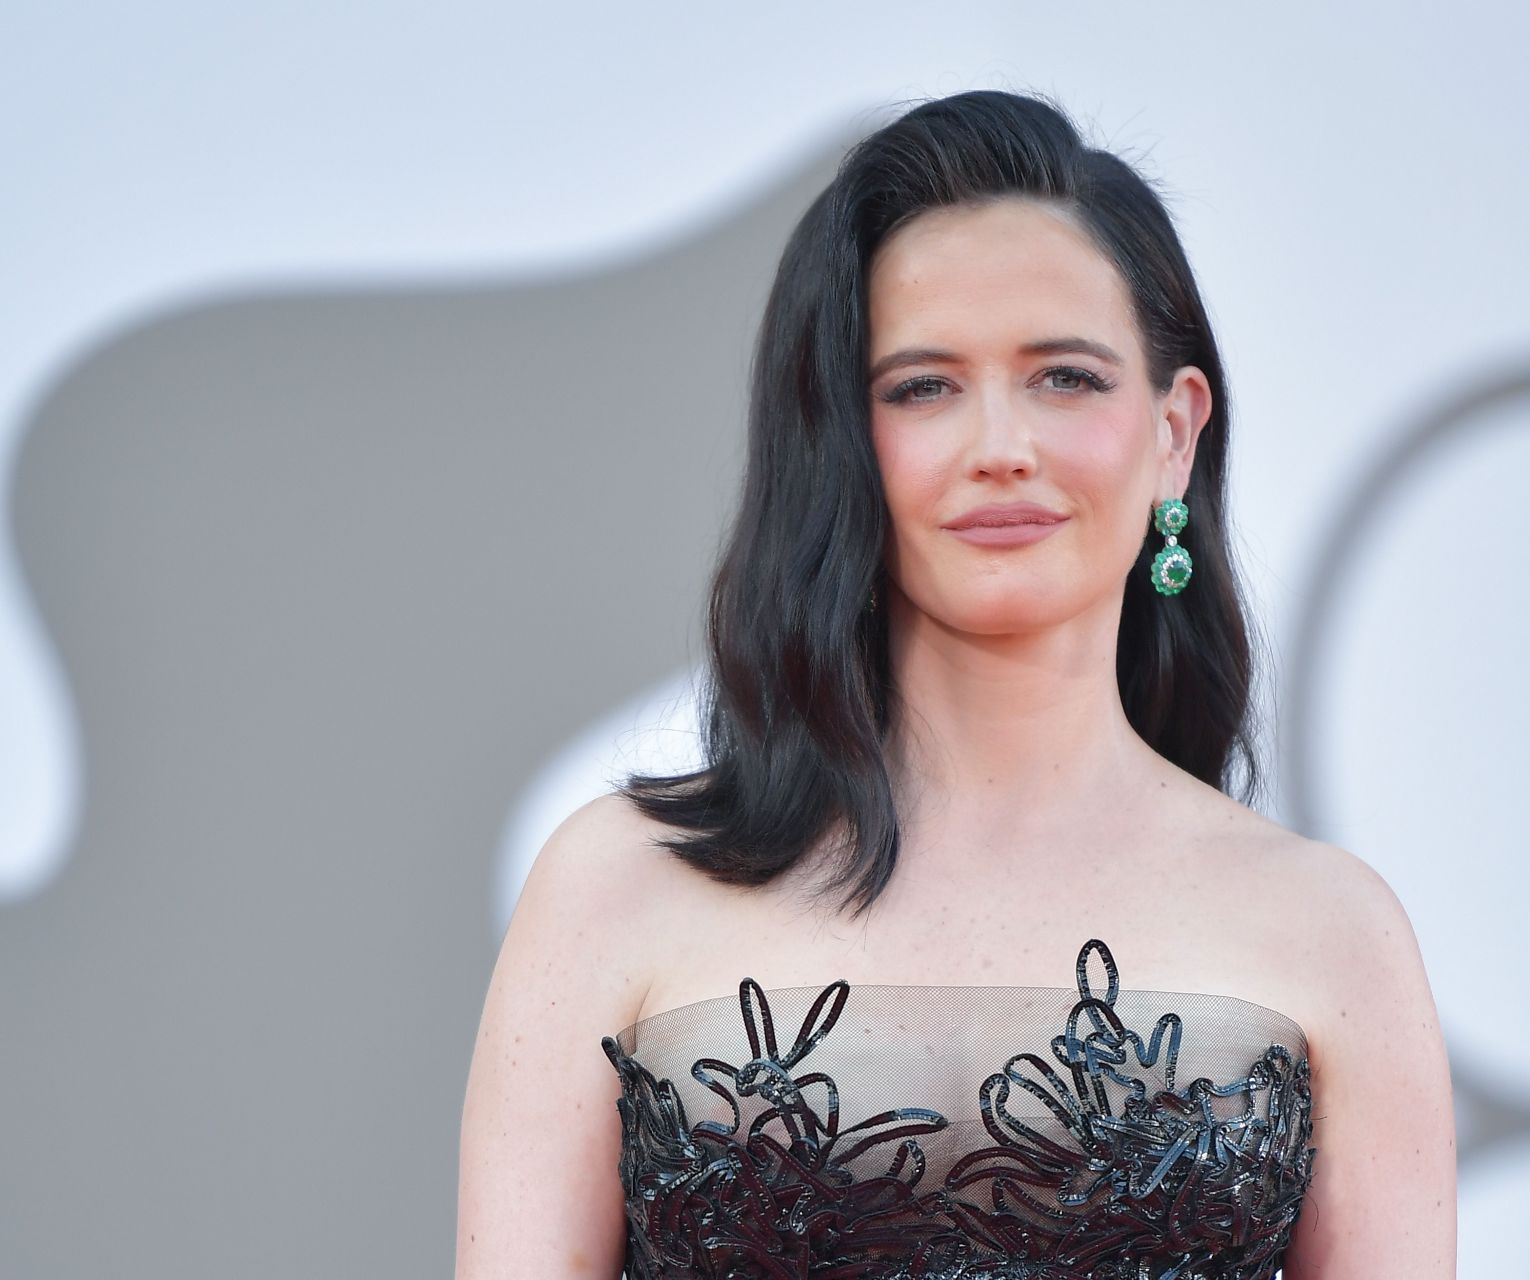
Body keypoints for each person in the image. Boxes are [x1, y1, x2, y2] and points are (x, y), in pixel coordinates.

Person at [456, 88, 1456, 1279]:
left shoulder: (1331, 935)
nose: (1001, 443)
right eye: (923, 385)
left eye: (1066, 377)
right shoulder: (615, 886)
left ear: (1174, 433)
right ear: (836, 441)